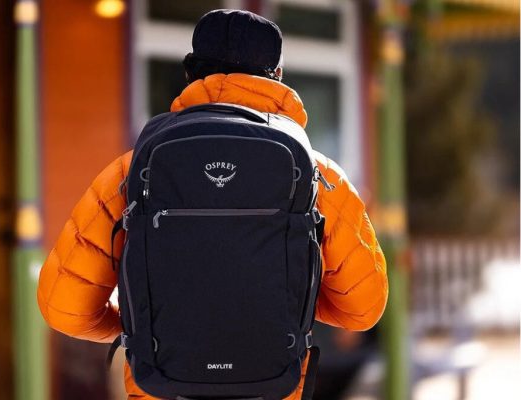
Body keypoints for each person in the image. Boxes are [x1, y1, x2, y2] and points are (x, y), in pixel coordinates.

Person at [37, 9, 388, 400]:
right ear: (277, 76)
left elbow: (63, 307)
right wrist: (286, 296)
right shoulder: (318, 175)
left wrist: (140, 322)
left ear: (191, 73)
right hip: (270, 389)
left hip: (163, 388)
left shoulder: (131, 170)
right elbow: (363, 309)